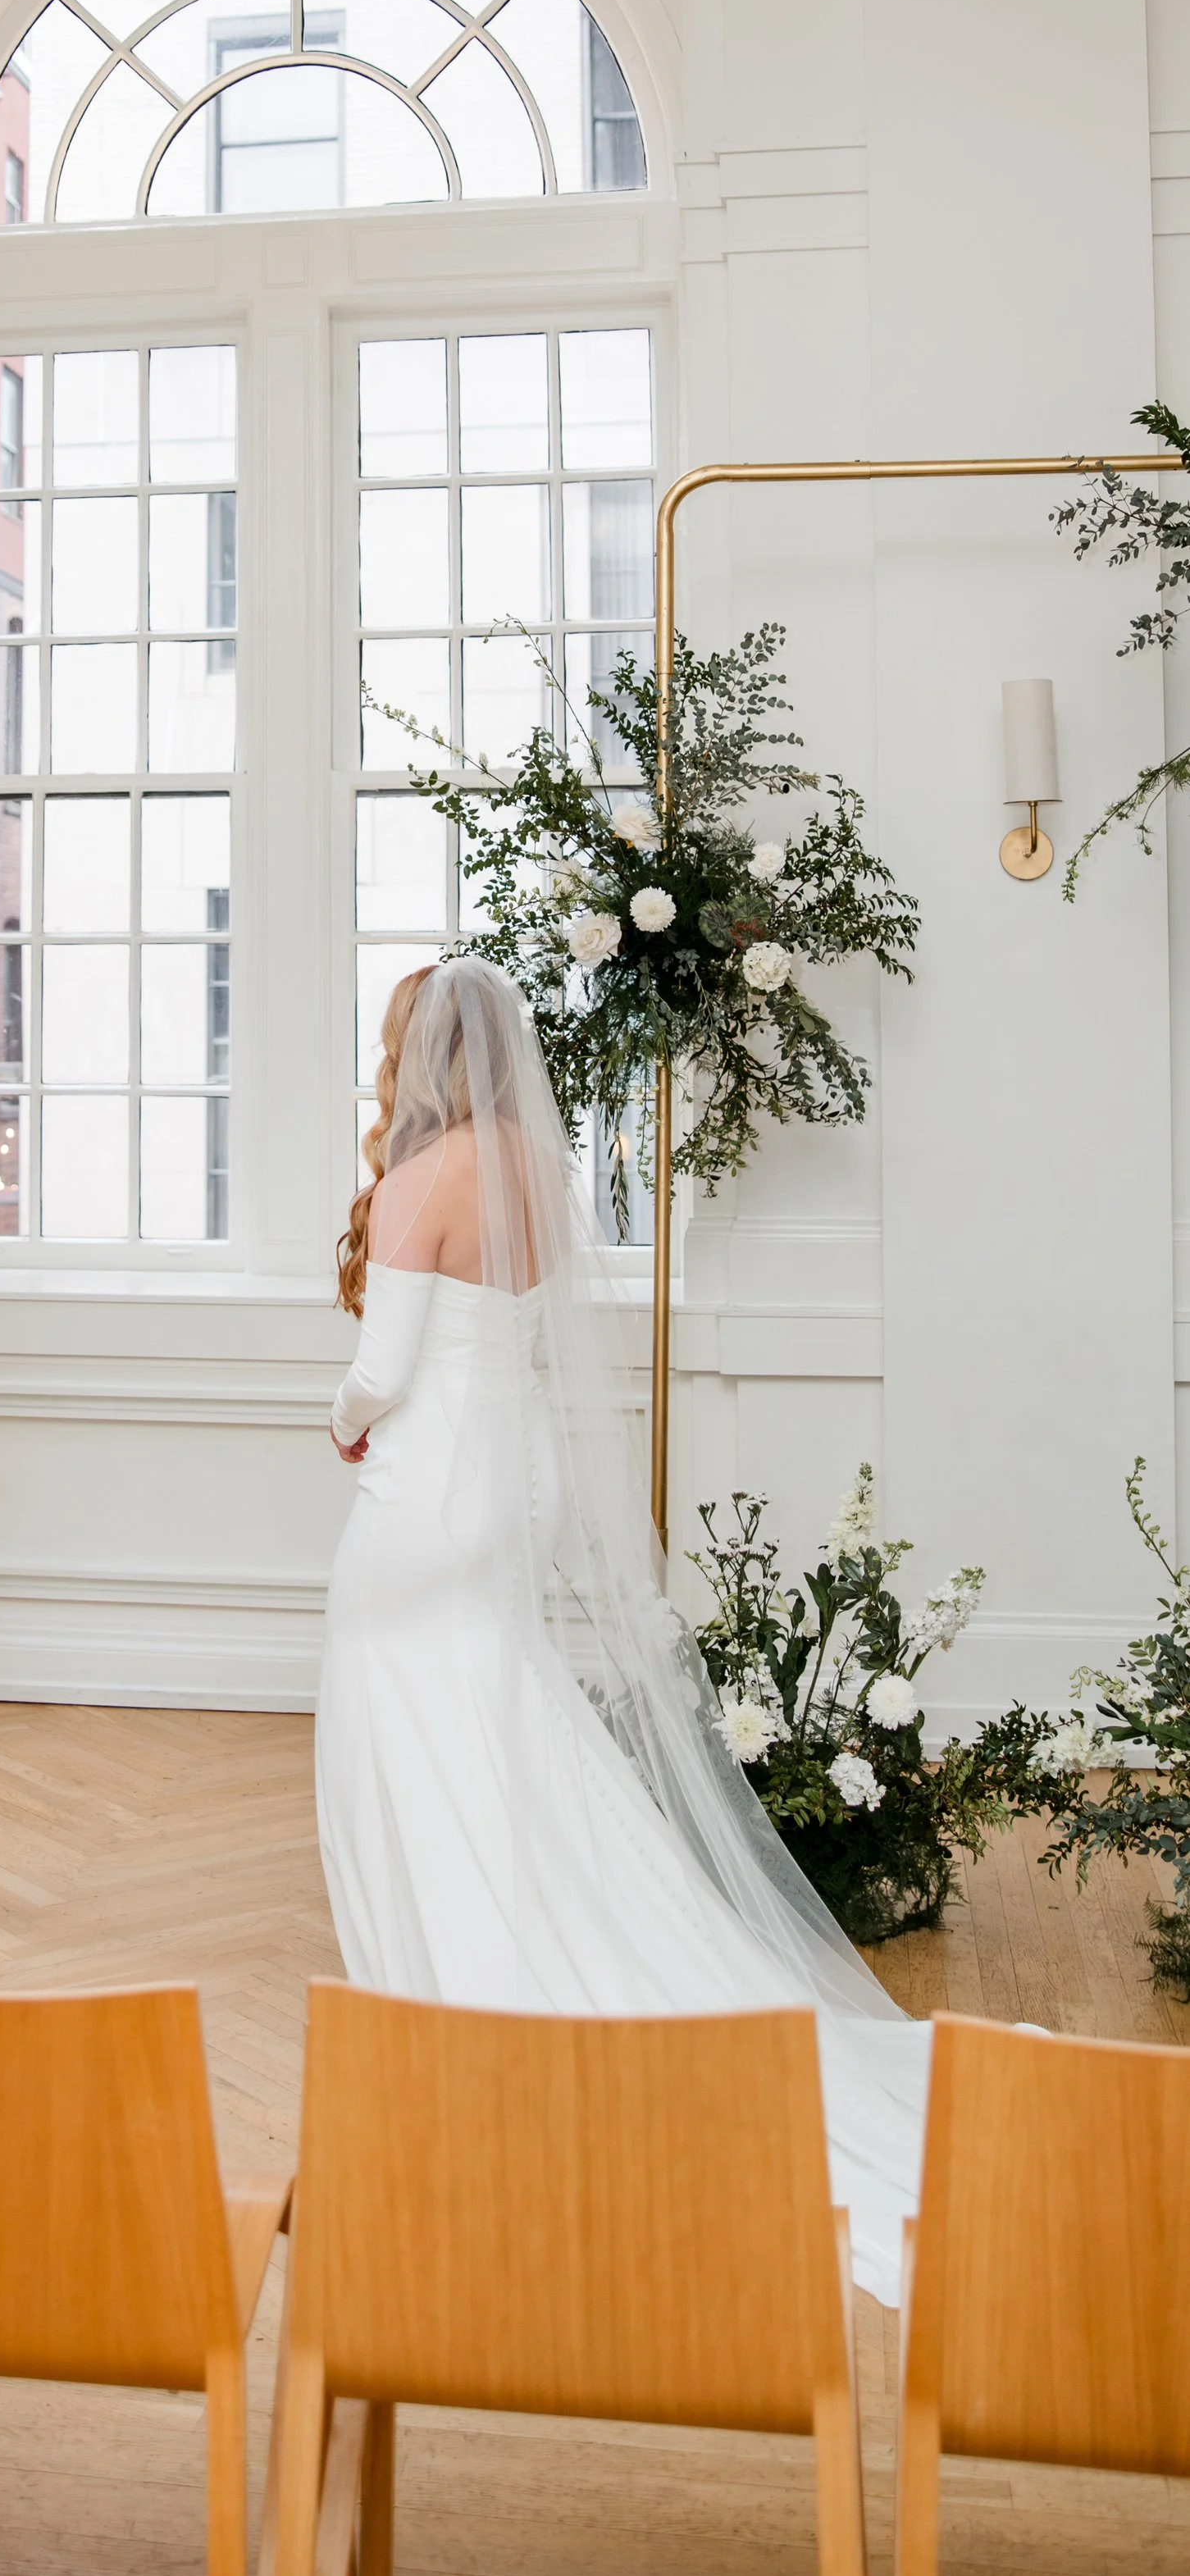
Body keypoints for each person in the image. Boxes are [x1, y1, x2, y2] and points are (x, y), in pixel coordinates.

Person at [317, 955, 929, 2300]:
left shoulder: (423, 1180)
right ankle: (566, 1934)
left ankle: (458, 2001)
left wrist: (344, 1422)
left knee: (396, 1717)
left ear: (423, 1053)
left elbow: (385, 1369)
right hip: (518, 1481)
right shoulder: (537, 1161)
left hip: (430, 1489)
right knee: (496, 1715)